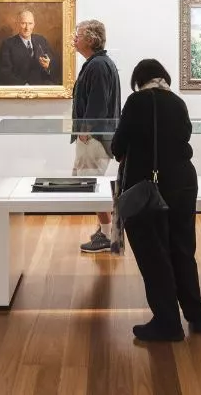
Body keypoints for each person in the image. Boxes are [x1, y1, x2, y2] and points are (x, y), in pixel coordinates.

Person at [111, 58, 201, 342]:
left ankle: (167, 322)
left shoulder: (137, 102)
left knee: (154, 253)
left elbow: (118, 145)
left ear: (138, 80)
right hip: (184, 182)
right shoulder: (178, 102)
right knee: (182, 248)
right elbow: (185, 135)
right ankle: (197, 314)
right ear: (163, 77)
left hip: (148, 187)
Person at [72, 19, 122, 253]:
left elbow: (99, 102)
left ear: (91, 39)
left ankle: (107, 235)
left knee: (92, 185)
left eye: (78, 35)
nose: (75, 38)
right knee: (92, 183)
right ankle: (105, 231)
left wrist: (86, 129)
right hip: (95, 136)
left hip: (94, 138)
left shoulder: (98, 65)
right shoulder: (99, 63)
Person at [0, 10, 59, 86]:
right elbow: (5, 73)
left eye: (30, 23)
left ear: (34, 24)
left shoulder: (41, 40)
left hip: (42, 88)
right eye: (23, 23)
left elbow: (55, 66)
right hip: (19, 90)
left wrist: (47, 66)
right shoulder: (7, 44)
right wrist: (23, 86)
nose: (27, 28)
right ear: (17, 24)